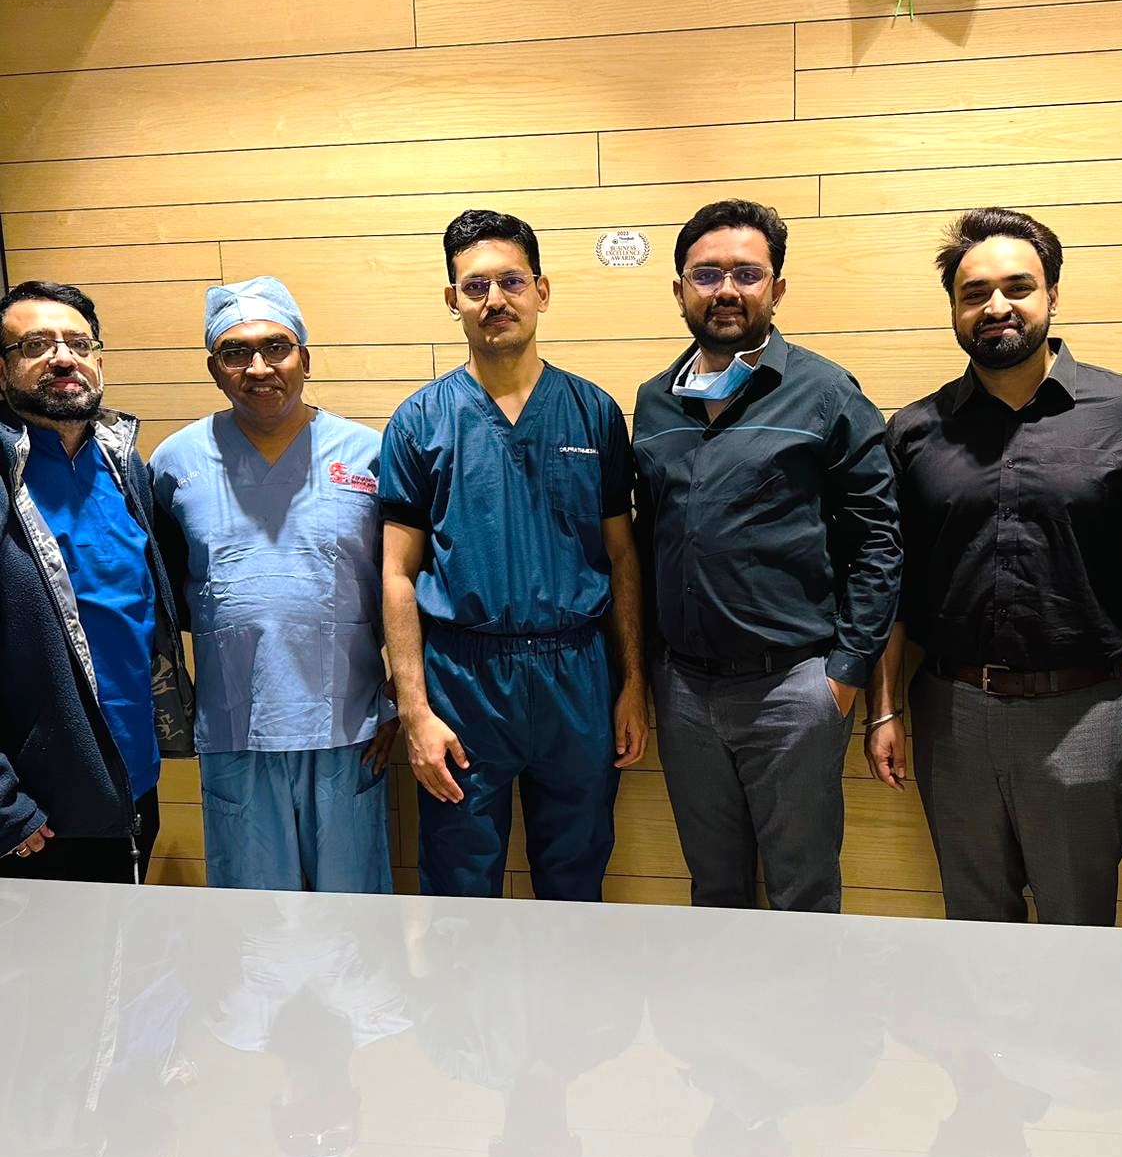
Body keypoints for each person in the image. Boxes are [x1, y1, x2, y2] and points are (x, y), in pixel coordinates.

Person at [865, 207, 1122, 925]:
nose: (996, 306)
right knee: (976, 922)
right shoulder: (913, 432)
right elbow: (890, 583)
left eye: (1018, 287)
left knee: (1080, 923)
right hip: (950, 710)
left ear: (1052, 295)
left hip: (1084, 713)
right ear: (955, 309)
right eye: (974, 293)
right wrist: (883, 707)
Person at [632, 198, 901, 913]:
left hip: (793, 689)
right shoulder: (654, 402)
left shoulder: (826, 392)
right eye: (706, 274)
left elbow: (878, 539)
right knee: (714, 889)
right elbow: (650, 535)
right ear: (679, 290)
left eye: (747, 274)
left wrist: (843, 675)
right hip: (685, 691)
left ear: (776, 288)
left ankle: (808, 1001)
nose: (726, 290)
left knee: (801, 892)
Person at [380, 210, 647, 900]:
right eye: (475, 286)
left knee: (576, 878)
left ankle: (569, 981)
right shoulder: (419, 421)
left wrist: (632, 685)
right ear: (453, 300)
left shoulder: (593, 412)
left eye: (511, 281)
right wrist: (414, 710)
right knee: (459, 885)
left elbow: (622, 558)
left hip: (577, 676)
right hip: (463, 680)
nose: (494, 299)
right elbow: (397, 574)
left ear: (541, 291)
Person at [150, 276, 398, 893]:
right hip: (236, 725)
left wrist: (405, 699)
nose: (258, 367)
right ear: (214, 369)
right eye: (235, 352)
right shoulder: (176, 463)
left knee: (352, 913)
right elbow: (165, 595)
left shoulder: (369, 455)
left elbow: (408, 585)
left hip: (349, 724)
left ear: (304, 359)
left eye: (276, 347)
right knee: (252, 918)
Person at [0, 280, 193, 884]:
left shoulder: (121, 464)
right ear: (2, 371)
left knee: (125, 936)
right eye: (36, 345)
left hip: (131, 783)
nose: (63, 358)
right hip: (36, 812)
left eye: (78, 343)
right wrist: (5, 805)